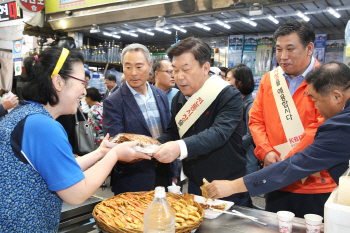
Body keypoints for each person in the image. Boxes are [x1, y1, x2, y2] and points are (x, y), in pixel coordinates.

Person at [0, 47, 151, 231]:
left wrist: (101, 152)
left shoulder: (26, 115)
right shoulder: (43, 127)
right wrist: (115, 154)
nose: (84, 90)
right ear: (58, 82)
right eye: (81, 82)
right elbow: (76, 193)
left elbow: (62, 171)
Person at [207, 63, 350, 217]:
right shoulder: (268, 80)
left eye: (315, 100)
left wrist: (233, 186)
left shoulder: (341, 127)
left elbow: (296, 165)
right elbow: (256, 120)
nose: (317, 108)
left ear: (337, 96)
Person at [248, 19, 336, 217]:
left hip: (315, 184)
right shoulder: (269, 80)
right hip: (277, 178)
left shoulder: (327, 81)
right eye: (278, 49)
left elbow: (321, 128)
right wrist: (265, 151)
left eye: (290, 49)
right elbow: (256, 120)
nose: (283, 56)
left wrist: (287, 161)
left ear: (309, 48)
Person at [153, 37, 249, 205]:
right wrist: (151, 146)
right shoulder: (179, 98)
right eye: (174, 70)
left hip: (228, 185)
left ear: (205, 68)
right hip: (196, 183)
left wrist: (179, 147)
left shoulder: (228, 95)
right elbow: (173, 132)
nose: (179, 77)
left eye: (186, 69)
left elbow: (219, 133)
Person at [103, 43, 177, 195]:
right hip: (133, 178)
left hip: (163, 173)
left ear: (150, 66)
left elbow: (170, 132)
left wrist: (174, 170)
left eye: (139, 66)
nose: (133, 73)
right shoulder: (114, 102)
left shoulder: (160, 95)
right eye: (128, 67)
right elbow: (115, 142)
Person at [226, 64, 257, 174]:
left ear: (240, 82)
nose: (225, 83)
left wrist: (230, 147)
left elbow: (251, 136)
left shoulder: (250, 106)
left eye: (229, 79)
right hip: (237, 159)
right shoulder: (236, 103)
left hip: (247, 162)